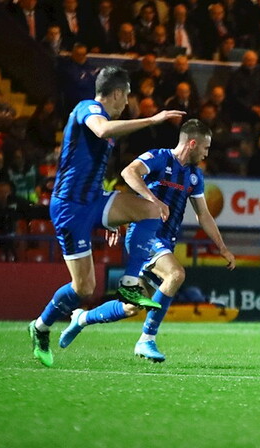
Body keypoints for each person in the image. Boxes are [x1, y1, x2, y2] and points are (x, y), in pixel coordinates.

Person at [28, 66, 185, 368]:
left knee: (152, 208)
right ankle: (41, 326)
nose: (126, 103)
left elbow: (93, 163)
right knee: (84, 288)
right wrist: (152, 119)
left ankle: (129, 282)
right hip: (70, 208)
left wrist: (113, 216)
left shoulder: (107, 119)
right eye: (126, 97)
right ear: (116, 93)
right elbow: (101, 130)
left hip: (95, 199)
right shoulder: (88, 108)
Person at [58, 119, 235, 362]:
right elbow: (128, 172)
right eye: (205, 147)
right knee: (176, 274)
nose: (207, 153)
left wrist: (222, 247)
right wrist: (153, 200)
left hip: (166, 241)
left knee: (131, 307)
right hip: (144, 236)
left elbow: (203, 214)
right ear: (192, 144)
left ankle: (81, 318)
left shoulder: (195, 176)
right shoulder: (159, 158)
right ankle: (146, 340)